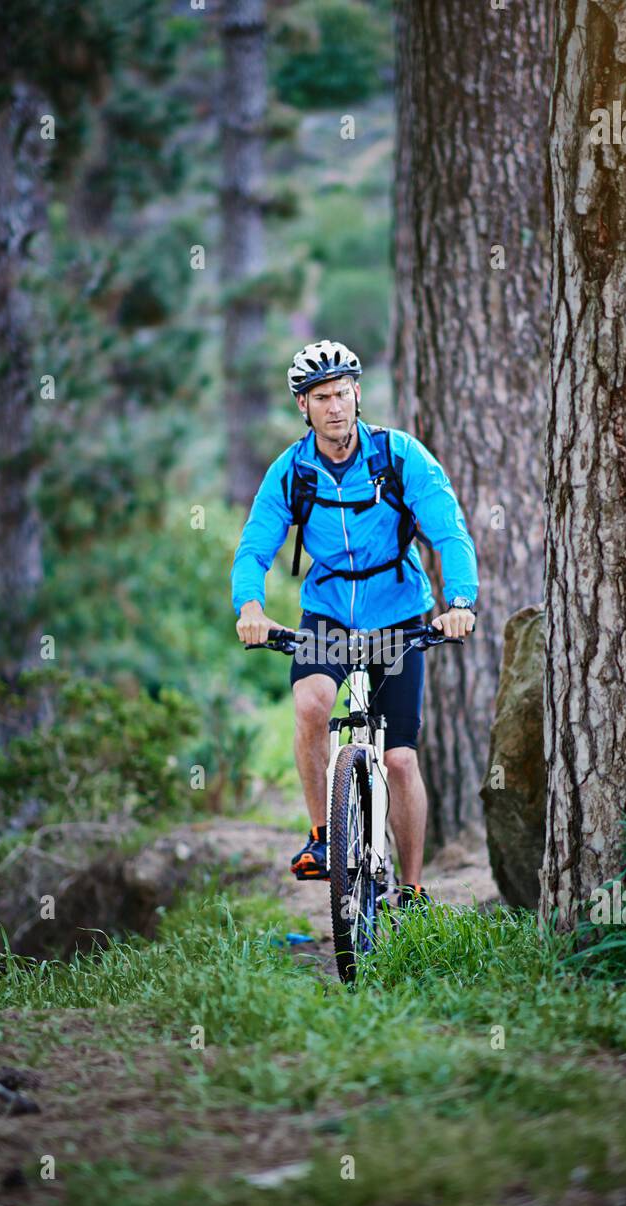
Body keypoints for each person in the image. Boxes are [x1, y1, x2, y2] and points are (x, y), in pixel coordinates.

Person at [232, 339, 478, 906]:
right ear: (304, 406)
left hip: (398, 613)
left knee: (399, 758)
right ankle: (322, 836)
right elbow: (254, 548)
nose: (335, 406)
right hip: (328, 615)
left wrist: (461, 602)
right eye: (322, 397)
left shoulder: (399, 457)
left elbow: (449, 530)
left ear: (358, 394)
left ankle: (412, 886)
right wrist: (249, 607)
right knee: (312, 704)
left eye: (343, 393)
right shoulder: (292, 473)